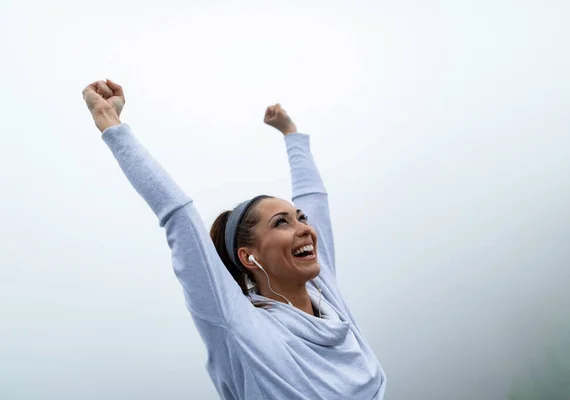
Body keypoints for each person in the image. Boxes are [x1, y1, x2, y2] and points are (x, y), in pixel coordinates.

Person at [82, 79, 386, 399]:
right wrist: (112, 125)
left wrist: (290, 132)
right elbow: (179, 216)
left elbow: (314, 200)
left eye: (301, 218)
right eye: (282, 222)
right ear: (248, 256)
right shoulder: (238, 325)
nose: (305, 228)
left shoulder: (327, 296)